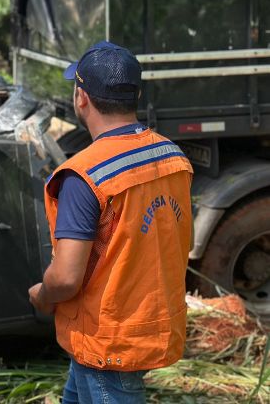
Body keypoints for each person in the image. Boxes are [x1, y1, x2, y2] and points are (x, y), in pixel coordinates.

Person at [28, 41, 193, 404]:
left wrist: (41, 294)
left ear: (81, 98)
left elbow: (67, 278)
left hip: (109, 342)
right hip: (148, 328)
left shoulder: (84, 175)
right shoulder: (172, 157)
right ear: (135, 94)